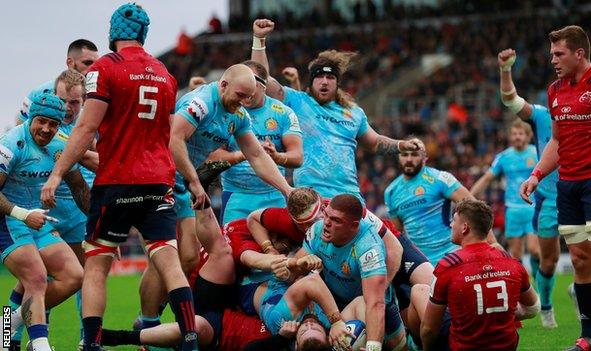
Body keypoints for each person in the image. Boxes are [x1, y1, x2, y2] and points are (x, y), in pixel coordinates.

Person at [40, 4, 199, 350]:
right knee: (33, 280)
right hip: (149, 183)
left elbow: (86, 127)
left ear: (113, 33)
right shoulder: (164, 73)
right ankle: (189, 339)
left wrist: (55, 175)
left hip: (101, 191)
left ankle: (80, 342)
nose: (56, 117)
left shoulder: (104, 71)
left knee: (82, 270)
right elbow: (163, 133)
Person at [520, 25, 591, 351]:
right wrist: (536, 175)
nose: (553, 59)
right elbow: (556, 140)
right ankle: (590, 337)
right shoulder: (555, 90)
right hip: (568, 185)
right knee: (580, 258)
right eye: (552, 53)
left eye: (559, 53)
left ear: (579, 53)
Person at [250, 18, 421, 201]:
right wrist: (259, 40)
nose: (324, 81)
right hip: (311, 198)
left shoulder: (354, 112)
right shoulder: (298, 101)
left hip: (350, 197)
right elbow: (263, 81)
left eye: (330, 77)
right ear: (311, 82)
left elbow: (375, 142)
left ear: (337, 83)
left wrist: (401, 145)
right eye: (320, 77)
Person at [7, 69, 97, 350]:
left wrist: (99, 227)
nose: (46, 129)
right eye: (41, 122)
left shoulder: (61, 144)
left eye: (52, 124)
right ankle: (38, 343)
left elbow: (80, 185)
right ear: (31, 118)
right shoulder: (11, 145)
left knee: (74, 276)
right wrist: (21, 214)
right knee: (35, 278)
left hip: (43, 221)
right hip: (9, 221)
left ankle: (7, 326)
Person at [292, 194, 407, 351]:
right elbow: (293, 271)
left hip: (373, 308)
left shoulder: (368, 247)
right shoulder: (317, 230)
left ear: (353, 226)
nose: (326, 223)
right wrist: (299, 264)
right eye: (326, 214)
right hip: (337, 306)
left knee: (397, 347)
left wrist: (373, 348)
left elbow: (375, 303)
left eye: (336, 220)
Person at [421, 200, 539, 351]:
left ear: (465, 228)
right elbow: (533, 308)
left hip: (464, 346)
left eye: (454, 220)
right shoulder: (511, 262)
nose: (451, 225)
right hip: (506, 345)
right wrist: (502, 313)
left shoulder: (448, 265)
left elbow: (429, 329)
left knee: (419, 291)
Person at [497, 48, 560, 329]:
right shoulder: (542, 115)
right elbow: (510, 99)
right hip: (548, 199)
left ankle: (584, 289)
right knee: (547, 259)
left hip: (587, 188)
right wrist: (505, 69)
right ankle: (545, 306)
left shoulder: (590, 110)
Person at [209, 60, 302, 224]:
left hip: (275, 195)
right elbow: (213, 157)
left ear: (264, 85)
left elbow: (297, 157)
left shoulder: (283, 113)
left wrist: (277, 156)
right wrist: (244, 154)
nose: (246, 87)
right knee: (234, 249)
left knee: (277, 248)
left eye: (251, 80)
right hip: (237, 196)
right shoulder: (228, 110)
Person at [384, 137, 476, 265]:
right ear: (399, 157)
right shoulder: (391, 192)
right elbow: (397, 234)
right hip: (421, 262)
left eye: (415, 154)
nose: (409, 159)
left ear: (425, 158)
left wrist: (492, 242)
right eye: (405, 154)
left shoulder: (440, 179)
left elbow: (475, 210)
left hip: (451, 254)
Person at [471, 119, 540, 266]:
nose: (517, 137)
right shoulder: (504, 157)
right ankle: (523, 287)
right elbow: (487, 178)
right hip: (513, 210)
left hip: (533, 208)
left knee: (534, 250)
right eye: (514, 134)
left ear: (528, 136)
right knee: (516, 255)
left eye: (520, 134)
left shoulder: (537, 153)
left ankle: (541, 285)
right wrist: (469, 195)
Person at [17, 39, 99, 125]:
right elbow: (19, 130)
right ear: (70, 62)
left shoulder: (100, 95)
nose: (93, 68)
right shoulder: (39, 93)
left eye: (97, 64)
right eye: (87, 63)